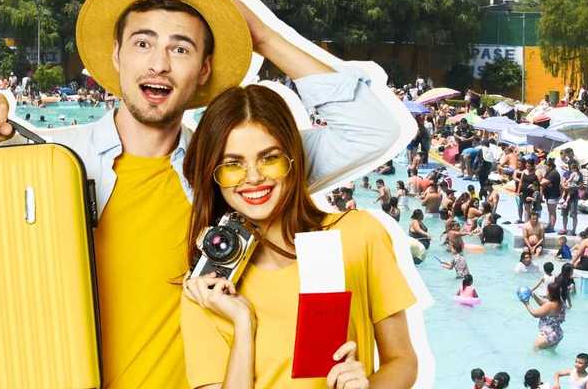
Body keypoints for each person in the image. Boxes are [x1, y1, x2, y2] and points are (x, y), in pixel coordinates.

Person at [0, 0, 407, 386]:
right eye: (142, 44)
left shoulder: (229, 169)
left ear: (203, 69)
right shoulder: (49, 163)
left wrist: (262, 36)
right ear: (115, 56)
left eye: (180, 48)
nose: (159, 64)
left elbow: (372, 131)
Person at [179, 85, 418, 387]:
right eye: (232, 164)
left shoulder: (358, 234)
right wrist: (243, 324)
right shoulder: (205, 291)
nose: (253, 177)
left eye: (269, 158)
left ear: (293, 158)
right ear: (213, 175)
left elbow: (403, 360)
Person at [523, 280, 568, 350]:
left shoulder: (550, 305)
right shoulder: (560, 302)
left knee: (535, 353)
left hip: (548, 335)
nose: (546, 292)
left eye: (547, 291)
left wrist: (526, 303)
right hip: (557, 334)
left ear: (551, 293)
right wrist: (533, 295)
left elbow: (535, 314)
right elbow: (543, 304)